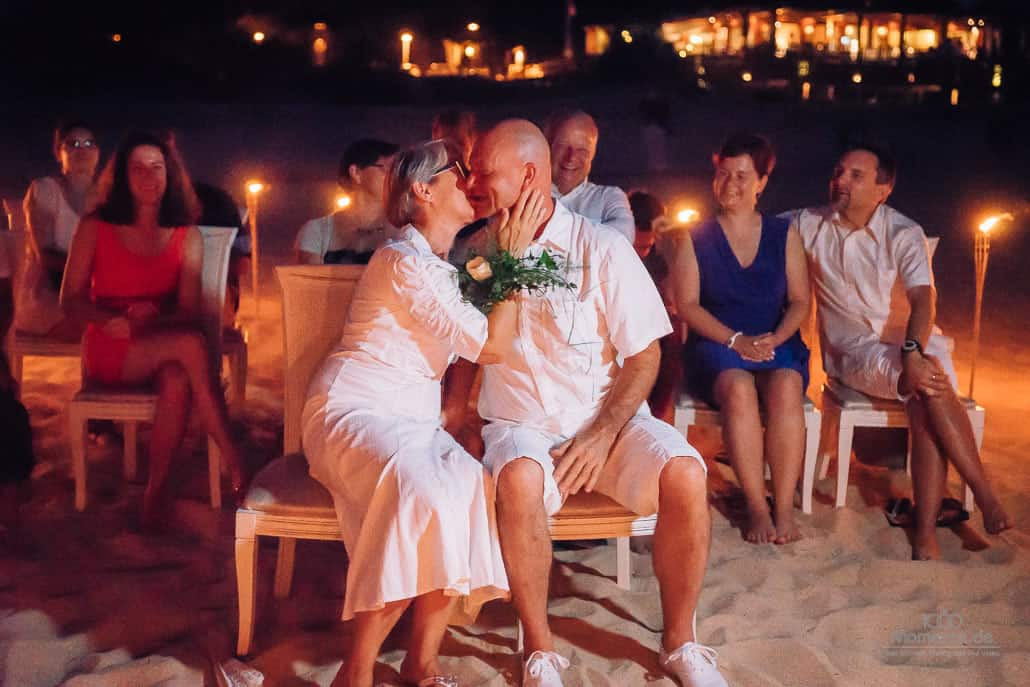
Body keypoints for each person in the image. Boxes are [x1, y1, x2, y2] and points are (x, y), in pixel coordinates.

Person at [455, 120, 728, 687]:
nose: (475, 183)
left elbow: (645, 356)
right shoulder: (478, 252)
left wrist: (604, 431)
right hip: (521, 424)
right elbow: (471, 346)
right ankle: (540, 649)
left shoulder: (600, 247)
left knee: (683, 471)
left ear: (529, 174)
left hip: (606, 423)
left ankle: (681, 643)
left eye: (486, 173)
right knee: (522, 479)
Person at [302, 140, 547, 687]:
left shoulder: (450, 264)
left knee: (465, 484)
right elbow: (492, 345)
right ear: (423, 189)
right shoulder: (399, 260)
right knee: (423, 490)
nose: (471, 178)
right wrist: (510, 259)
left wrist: (504, 251)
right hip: (354, 408)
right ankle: (356, 672)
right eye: (459, 171)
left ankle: (421, 662)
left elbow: (481, 287)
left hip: (412, 421)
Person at [789, 140, 1012, 560]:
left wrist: (911, 348)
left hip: (913, 341)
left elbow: (924, 299)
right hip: (854, 350)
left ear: (883, 188)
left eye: (856, 175)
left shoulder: (902, 231)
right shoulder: (808, 224)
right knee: (926, 383)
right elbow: (752, 232)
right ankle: (976, 495)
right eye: (839, 171)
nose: (841, 181)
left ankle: (929, 526)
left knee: (925, 382)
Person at [61, 131, 246, 529]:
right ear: (123, 176)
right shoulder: (97, 227)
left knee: (180, 374)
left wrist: (151, 318)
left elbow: (187, 312)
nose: (149, 176)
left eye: (157, 167)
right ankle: (234, 458)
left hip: (165, 341)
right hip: (111, 346)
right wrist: (104, 319)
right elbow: (70, 300)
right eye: (138, 168)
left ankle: (156, 493)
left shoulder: (186, 234)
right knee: (193, 348)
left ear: (170, 175)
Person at [671, 133, 810, 545]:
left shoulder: (784, 233)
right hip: (716, 344)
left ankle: (783, 508)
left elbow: (801, 300)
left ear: (762, 181)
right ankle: (755, 506)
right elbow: (688, 306)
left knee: (786, 384)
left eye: (743, 175)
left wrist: (775, 337)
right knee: (738, 387)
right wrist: (735, 340)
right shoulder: (695, 237)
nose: (731, 184)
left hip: (774, 337)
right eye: (723, 174)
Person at [16, 120, 100, 338]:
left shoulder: (108, 197)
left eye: (89, 143)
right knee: (107, 327)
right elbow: (45, 257)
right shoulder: (45, 190)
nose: (82, 150)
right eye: (73, 144)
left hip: (94, 292)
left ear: (98, 153)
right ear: (58, 153)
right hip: (48, 295)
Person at [294, 138, 398, 265]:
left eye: (397, 169)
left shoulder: (405, 231)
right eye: (388, 168)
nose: (395, 176)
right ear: (356, 173)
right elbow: (311, 281)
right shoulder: (318, 232)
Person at [544, 110, 635, 243]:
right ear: (547, 146)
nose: (571, 157)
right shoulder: (528, 196)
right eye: (562, 146)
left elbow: (621, 240)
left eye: (582, 150)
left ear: (592, 154)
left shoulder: (608, 198)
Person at [629, 190, 680, 423]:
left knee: (672, 333)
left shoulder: (657, 259)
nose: (639, 255)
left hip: (650, 326)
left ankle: (655, 417)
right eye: (634, 247)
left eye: (645, 248)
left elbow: (671, 296)